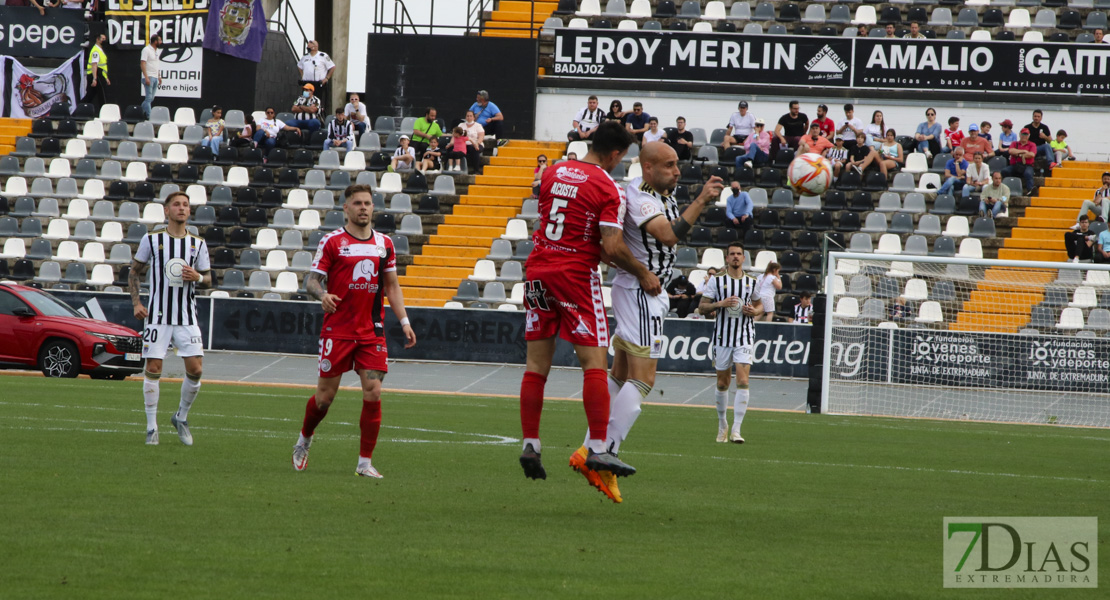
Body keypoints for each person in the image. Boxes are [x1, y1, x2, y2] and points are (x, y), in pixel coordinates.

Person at [574, 142, 724, 502]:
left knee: (623, 374)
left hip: (645, 290)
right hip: (640, 292)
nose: (677, 171)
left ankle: (586, 450)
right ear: (647, 167)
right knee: (645, 378)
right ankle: (604, 449)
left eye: (677, 164)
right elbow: (668, 235)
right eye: (669, 165)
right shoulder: (640, 197)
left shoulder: (662, 193)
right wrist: (702, 200)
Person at [517, 121, 656, 487]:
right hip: (574, 276)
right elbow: (610, 245)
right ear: (614, 154)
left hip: (537, 269)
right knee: (594, 363)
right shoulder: (607, 186)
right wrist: (642, 272)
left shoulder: (555, 170)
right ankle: (597, 446)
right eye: (622, 157)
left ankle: (531, 442)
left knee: (535, 365)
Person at [292, 184, 417, 478]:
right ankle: (304, 441)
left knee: (373, 392)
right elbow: (311, 281)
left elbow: (391, 286)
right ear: (346, 208)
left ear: (373, 208)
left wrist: (405, 321)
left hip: (371, 332)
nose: (363, 208)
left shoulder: (384, 243)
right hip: (338, 330)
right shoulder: (332, 242)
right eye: (357, 203)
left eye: (367, 203)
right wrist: (322, 295)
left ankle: (364, 463)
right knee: (325, 398)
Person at [127, 191, 211, 447]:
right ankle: (152, 427)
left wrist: (196, 277)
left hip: (186, 317)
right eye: (176, 204)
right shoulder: (151, 239)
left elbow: (208, 279)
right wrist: (137, 303)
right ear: (167, 210)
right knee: (153, 368)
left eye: (185, 205)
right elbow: (134, 272)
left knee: (195, 370)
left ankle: (181, 417)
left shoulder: (198, 244)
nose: (182, 208)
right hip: (158, 316)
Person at [697, 243, 762, 444]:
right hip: (722, 338)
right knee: (722, 383)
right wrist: (720, 304)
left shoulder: (752, 282)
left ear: (744, 258)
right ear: (727, 258)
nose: (735, 257)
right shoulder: (717, 281)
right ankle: (722, 424)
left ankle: (736, 429)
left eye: (739, 254)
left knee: (743, 381)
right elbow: (701, 307)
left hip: (744, 336)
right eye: (732, 254)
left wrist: (755, 311)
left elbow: (761, 305)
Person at [297, 40, 336, 113]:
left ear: (315, 47)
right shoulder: (305, 57)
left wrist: (327, 78)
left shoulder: (323, 56)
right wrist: (303, 75)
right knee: (305, 100)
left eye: (310, 45)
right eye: (308, 45)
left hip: (318, 83)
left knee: (318, 102)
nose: (308, 47)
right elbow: (299, 66)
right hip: (307, 84)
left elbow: (332, 67)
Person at [1003, 128, 1037, 194]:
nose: (1024, 136)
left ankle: (1030, 190)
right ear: (1020, 135)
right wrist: (1023, 152)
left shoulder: (1032, 144)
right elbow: (1011, 151)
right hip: (1015, 165)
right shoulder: (1014, 143)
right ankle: (1007, 189)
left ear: (1029, 136)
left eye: (1026, 134)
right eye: (1023, 134)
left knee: (1028, 173)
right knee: (1005, 171)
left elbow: (1032, 154)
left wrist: (1018, 154)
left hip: (1027, 165)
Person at [82, 34, 110, 110]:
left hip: (100, 74)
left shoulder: (100, 50)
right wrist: (95, 78)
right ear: (98, 39)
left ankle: (80, 109)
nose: (104, 40)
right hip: (97, 74)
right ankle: (104, 111)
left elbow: (103, 65)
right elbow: (94, 65)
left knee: (90, 95)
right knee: (102, 94)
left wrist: (106, 77)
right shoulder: (96, 51)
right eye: (103, 39)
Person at [139, 34, 162, 120]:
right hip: (149, 76)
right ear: (155, 41)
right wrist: (146, 77)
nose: (161, 42)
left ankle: (139, 111)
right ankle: (150, 116)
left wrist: (159, 76)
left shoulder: (157, 51)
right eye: (159, 40)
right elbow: (142, 63)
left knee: (151, 98)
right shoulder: (146, 50)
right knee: (148, 98)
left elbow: (156, 64)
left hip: (155, 76)